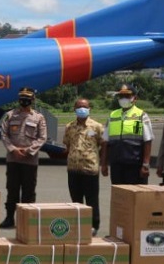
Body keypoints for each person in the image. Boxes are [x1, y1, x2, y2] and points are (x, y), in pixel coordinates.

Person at [0, 87, 47, 229]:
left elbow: (42, 137)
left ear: (33, 100)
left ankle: (27, 220)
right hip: (13, 160)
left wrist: (28, 151)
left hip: (30, 160)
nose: (24, 100)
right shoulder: (10, 115)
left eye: (27, 98)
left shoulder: (38, 117)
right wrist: (13, 150)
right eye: (22, 97)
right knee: (12, 190)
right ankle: (9, 218)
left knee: (29, 191)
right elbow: (4, 134)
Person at [62, 98, 103, 236]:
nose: (82, 109)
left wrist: (102, 162)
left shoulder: (96, 127)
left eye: (84, 106)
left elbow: (103, 144)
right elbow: (67, 144)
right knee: (76, 200)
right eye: (79, 107)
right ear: (74, 109)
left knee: (92, 199)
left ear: (89, 108)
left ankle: (94, 225)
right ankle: (79, 224)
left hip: (90, 168)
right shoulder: (69, 126)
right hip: (73, 168)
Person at [101, 84, 153, 185]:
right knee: (119, 195)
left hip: (134, 164)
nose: (123, 98)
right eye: (121, 96)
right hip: (116, 164)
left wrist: (145, 164)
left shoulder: (141, 115)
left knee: (135, 196)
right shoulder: (112, 115)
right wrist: (104, 164)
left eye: (127, 96)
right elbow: (105, 142)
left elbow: (147, 141)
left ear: (134, 98)